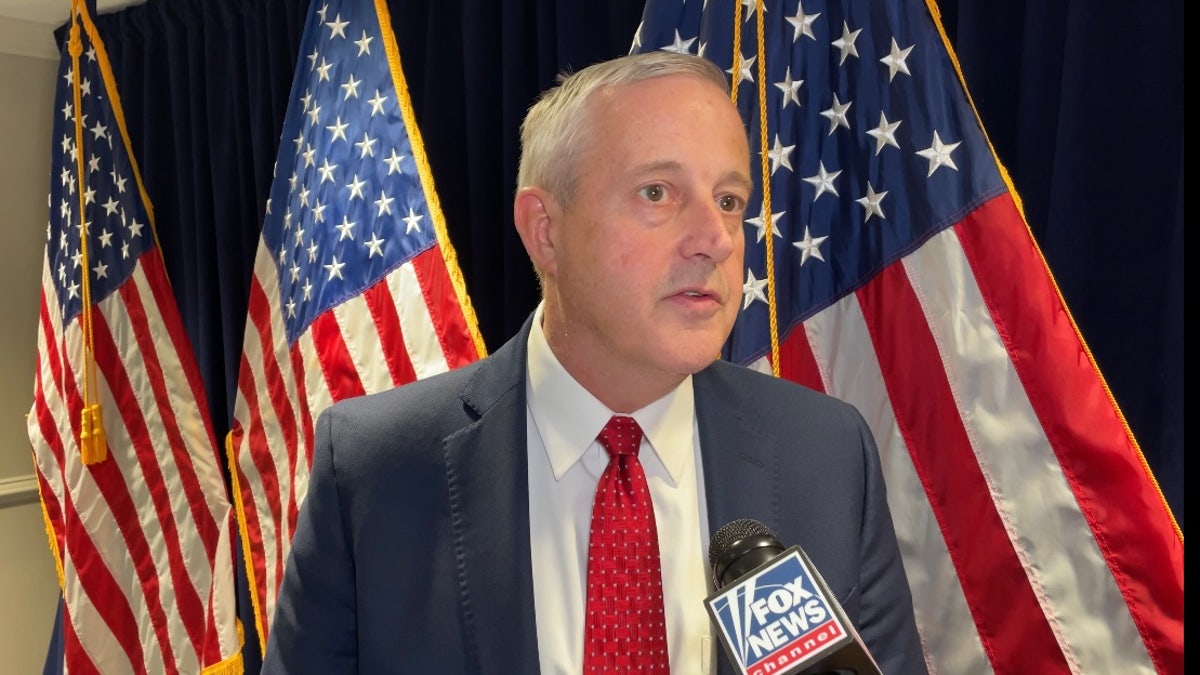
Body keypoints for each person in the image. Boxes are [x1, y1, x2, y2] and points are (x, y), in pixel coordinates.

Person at [261, 50, 928, 674]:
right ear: (545, 231)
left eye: (729, 200)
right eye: (658, 192)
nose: (716, 239)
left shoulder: (826, 455)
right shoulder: (377, 470)